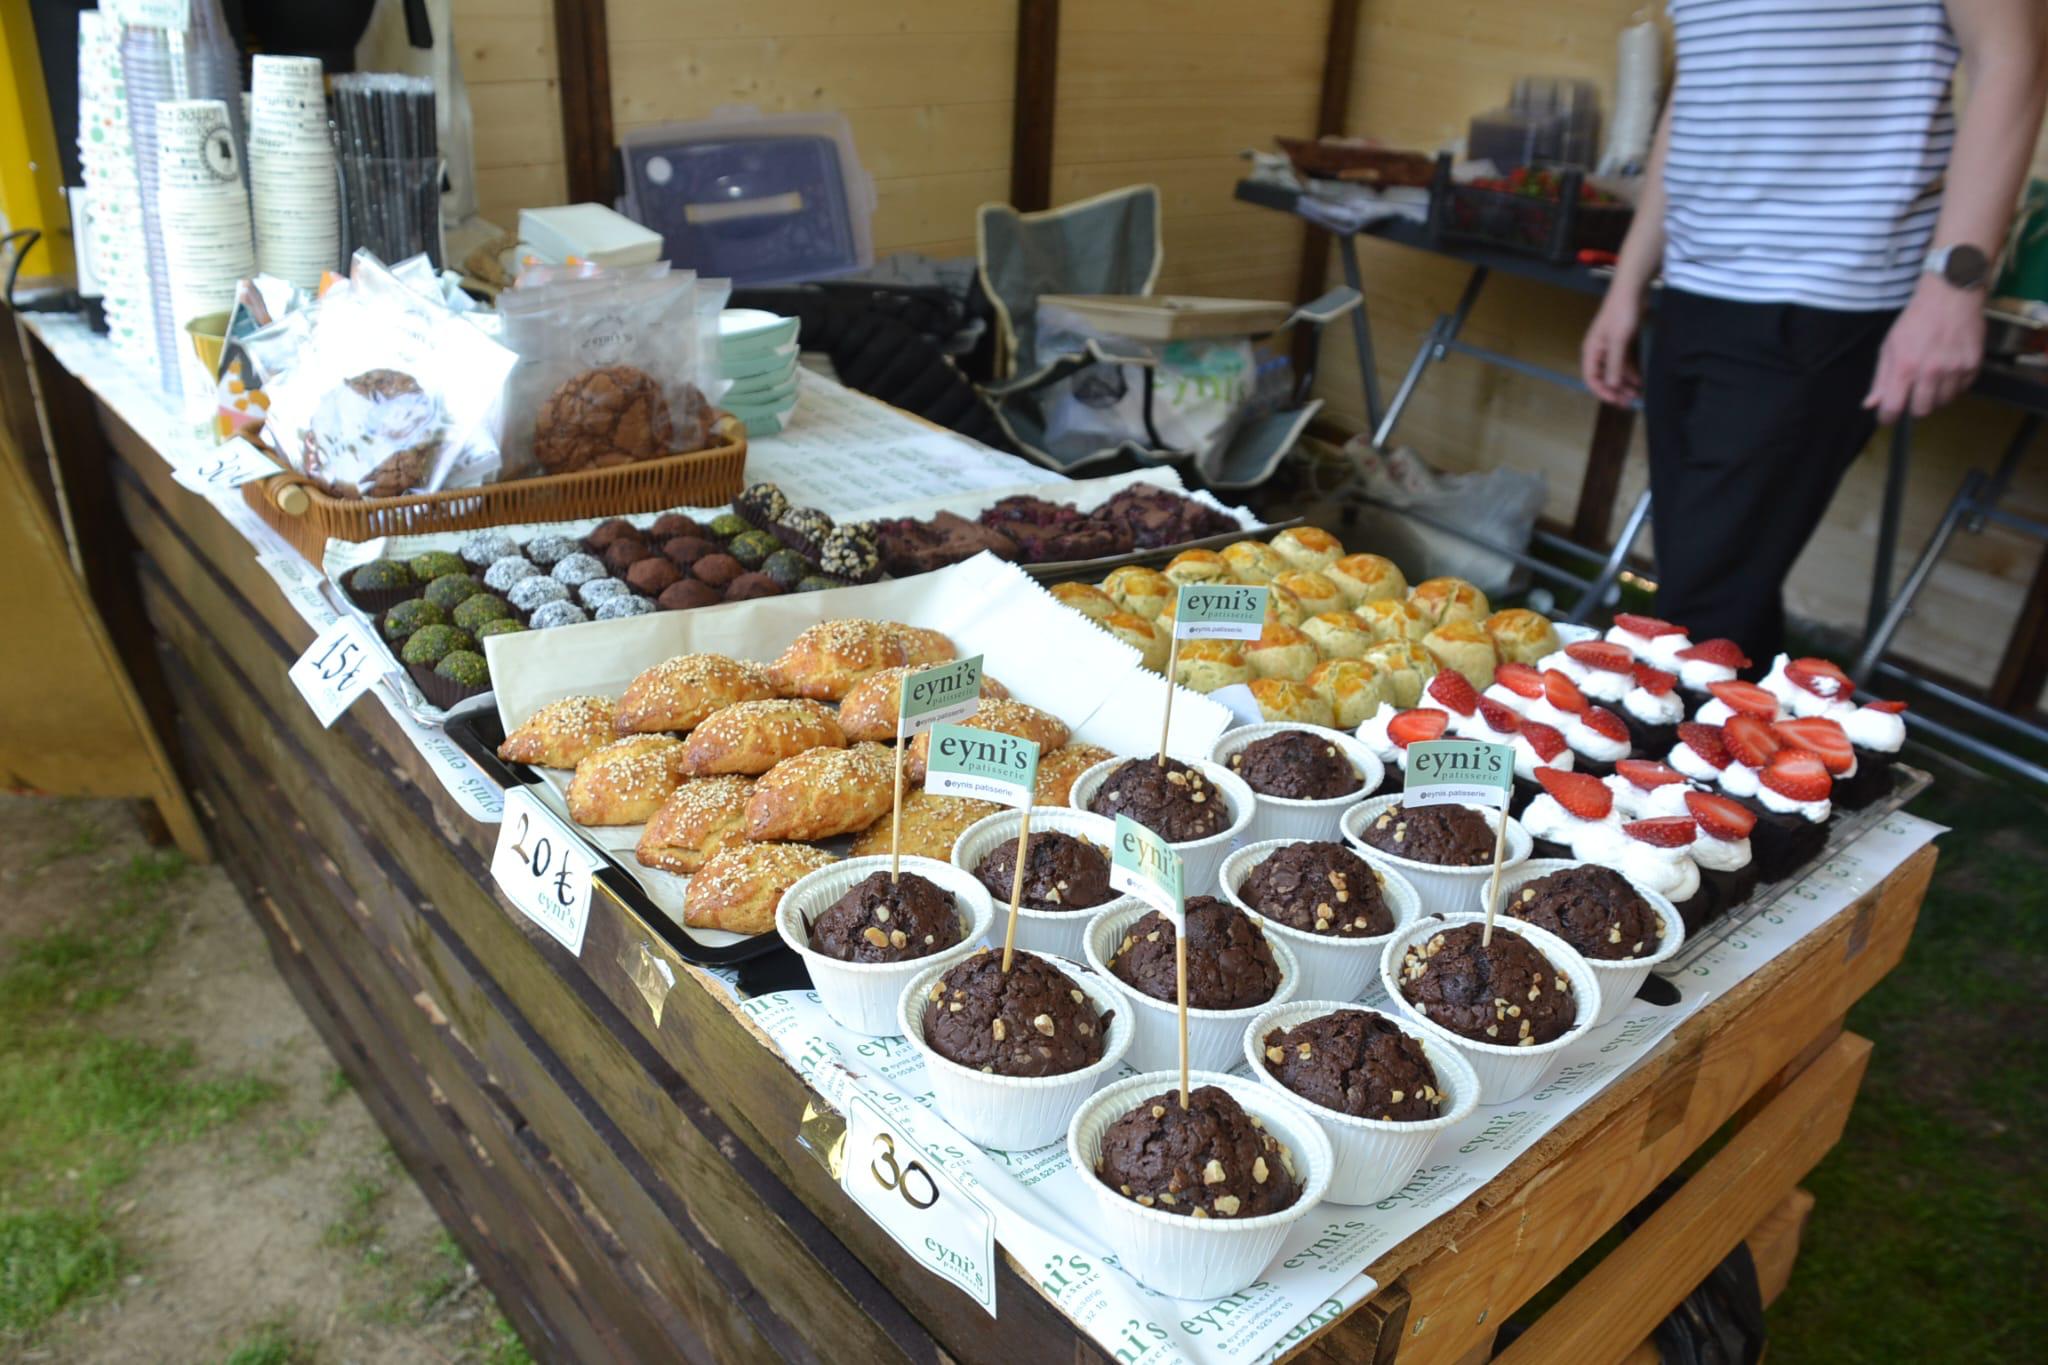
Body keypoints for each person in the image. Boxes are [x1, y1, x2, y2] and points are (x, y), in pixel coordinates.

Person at [1581, 0, 2047, 661]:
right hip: (1692, 286)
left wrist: (1954, 282)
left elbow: (2012, 56)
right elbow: (1702, 90)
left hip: (1822, 292)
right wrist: (1629, 280)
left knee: (1703, 611)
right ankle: (1763, 719)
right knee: (1709, 586)